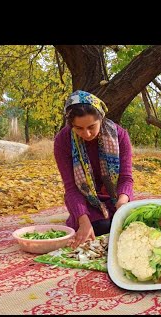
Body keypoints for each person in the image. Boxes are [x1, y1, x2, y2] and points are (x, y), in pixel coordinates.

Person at [54, 90, 134, 248]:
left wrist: (122, 203)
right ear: (71, 125)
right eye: (79, 128)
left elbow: (126, 178)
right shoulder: (63, 141)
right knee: (101, 228)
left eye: (91, 126)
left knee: (126, 227)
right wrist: (83, 220)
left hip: (115, 198)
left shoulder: (120, 136)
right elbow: (71, 188)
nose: (87, 133)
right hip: (85, 200)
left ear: (101, 118)